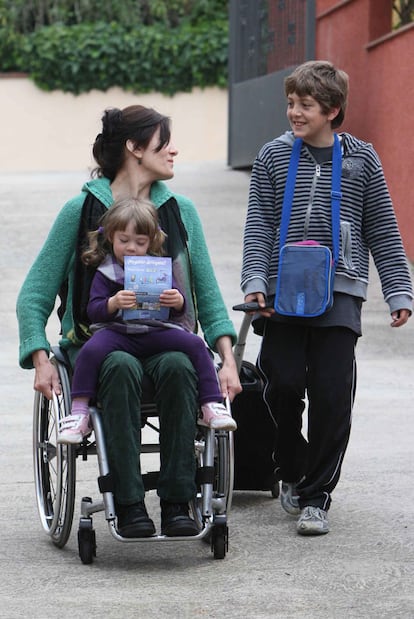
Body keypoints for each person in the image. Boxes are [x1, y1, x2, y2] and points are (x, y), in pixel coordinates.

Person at [17, 104, 241, 539]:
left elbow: (209, 295)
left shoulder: (180, 211)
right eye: (163, 143)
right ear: (134, 148)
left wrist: (228, 359)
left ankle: (178, 501)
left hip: (165, 340)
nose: (174, 151)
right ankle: (129, 502)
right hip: (100, 344)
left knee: (179, 366)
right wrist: (41, 359)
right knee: (118, 368)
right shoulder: (80, 210)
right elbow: (34, 296)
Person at [240, 60, 413, 536]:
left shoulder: (362, 158)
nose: (294, 113)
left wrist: (398, 288)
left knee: (333, 396)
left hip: (340, 288)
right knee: (282, 385)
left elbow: (382, 226)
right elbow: (258, 224)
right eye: (291, 104)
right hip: (281, 291)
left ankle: (317, 495)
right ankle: (292, 469)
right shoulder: (273, 156)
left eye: (306, 106)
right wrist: (255, 279)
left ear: (333, 110)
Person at [57, 197, 237, 444]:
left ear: (151, 242)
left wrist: (177, 301)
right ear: (110, 237)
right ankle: (79, 412)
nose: (131, 247)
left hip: (156, 331)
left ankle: (210, 404)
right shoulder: (106, 271)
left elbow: (177, 310)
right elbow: (93, 310)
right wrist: (113, 303)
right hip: (118, 332)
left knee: (196, 346)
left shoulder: (159, 268)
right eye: (124, 241)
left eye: (140, 242)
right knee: (89, 351)